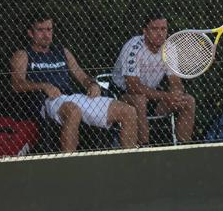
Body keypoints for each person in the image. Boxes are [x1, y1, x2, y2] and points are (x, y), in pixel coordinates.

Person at [10, 12, 137, 153]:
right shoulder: (23, 54)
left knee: (128, 111)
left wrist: (91, 84)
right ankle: (69, 164)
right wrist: (43, 86)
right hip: (48, 101)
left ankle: (129, 163)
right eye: (40, 30)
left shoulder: (62, 51)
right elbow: (17, 84)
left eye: (49, 29)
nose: (46, 34)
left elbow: (81, 76)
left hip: (73, 97)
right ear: (30, 33)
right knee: (73, 111)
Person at [112, 11, 195, 146]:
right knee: (140, 100)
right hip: (123, 96)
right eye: (155, 29)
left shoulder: (169, 47)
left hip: (155, 97)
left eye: (163, 29)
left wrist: (176, 93)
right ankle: (145, 148)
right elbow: (132, 86)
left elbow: (175, 81)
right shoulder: (133, 47)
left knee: (188, 101)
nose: (160, 33)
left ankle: (183, 148)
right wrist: (166, 96)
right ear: (145, 31)